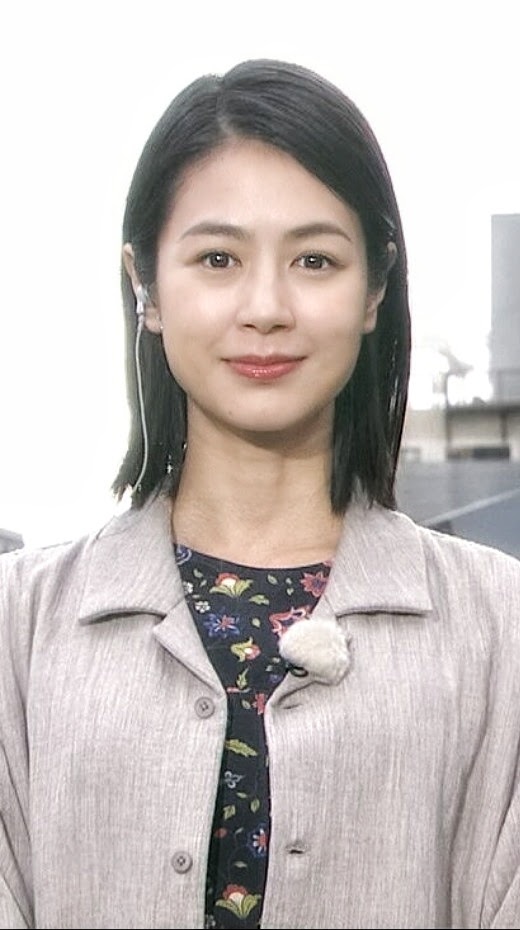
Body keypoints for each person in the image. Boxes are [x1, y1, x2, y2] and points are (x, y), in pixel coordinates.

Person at [1, 58, 520, 930]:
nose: (267, 307)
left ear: (375, 288)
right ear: (144, 285)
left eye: (315, 259)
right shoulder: (17, 628)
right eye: (218, 258)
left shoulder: (501, 627)